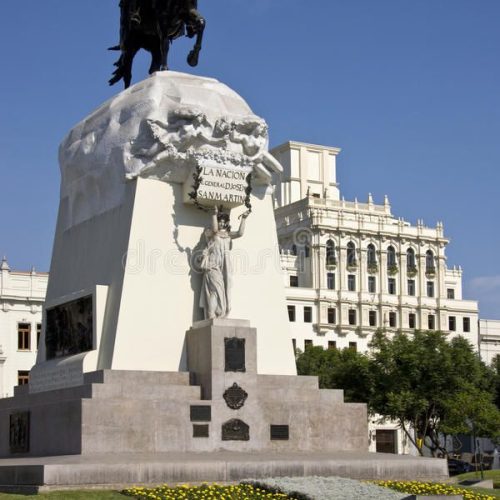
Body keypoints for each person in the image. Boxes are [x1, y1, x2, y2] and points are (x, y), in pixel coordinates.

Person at [199, 206, 249, 319]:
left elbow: (240, 233)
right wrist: (214, 214)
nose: (221, 223)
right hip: (212, 266)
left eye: (223, 222)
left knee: (221, 292)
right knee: (216, 291)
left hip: (224, 269)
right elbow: (215, 230)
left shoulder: (227, 235)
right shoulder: (211, 233)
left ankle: (216, 315)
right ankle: (211, 315)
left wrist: (244, 219)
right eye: (219, 221)